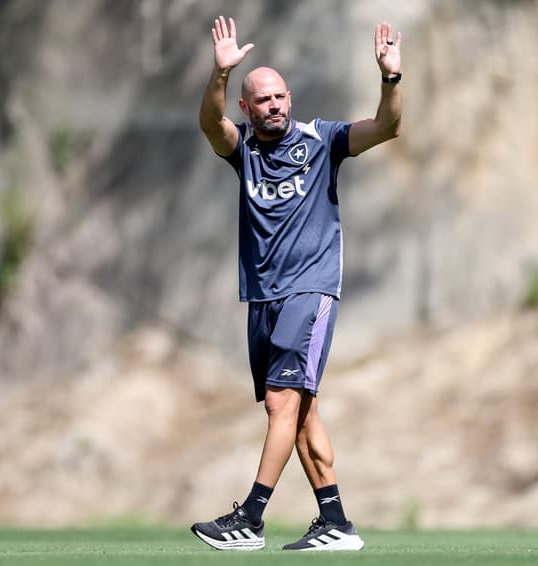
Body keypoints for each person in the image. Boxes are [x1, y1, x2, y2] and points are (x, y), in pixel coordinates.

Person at [190, 15, 401, 552]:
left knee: (281, 403)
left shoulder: (323, 140)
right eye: (263, 100)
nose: (276, 106)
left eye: (281, 96)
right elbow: (210, 126)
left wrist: (390, 79)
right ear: (247, 108)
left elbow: (386, 127)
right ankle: (336, 523)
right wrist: (218, 76)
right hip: (262, 298)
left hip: (310, 290)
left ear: (291, 97)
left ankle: (251, 517)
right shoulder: (244, 152)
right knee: (303, 414)